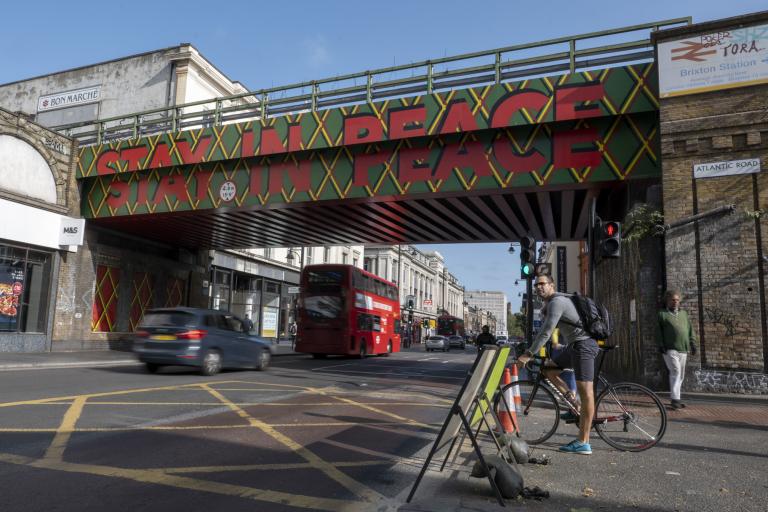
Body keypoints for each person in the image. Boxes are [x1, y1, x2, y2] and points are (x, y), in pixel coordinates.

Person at [517, 274, 600, 455]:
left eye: (542, 284)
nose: (538, 287)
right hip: (574, 346)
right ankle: (574, 405)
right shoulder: (552, 303)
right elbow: (547, 331)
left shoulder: (557, 302)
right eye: (536, 285)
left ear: (551, 285)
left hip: (584, 346)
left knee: (587, 393)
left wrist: (528, 354)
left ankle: (583, 441)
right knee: (548, 370)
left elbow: (546, 332)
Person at [656, 290, 697, 410]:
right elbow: (658, 331)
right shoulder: (662, 314)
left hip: (683, 349)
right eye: (672, 300)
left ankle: (677, 398)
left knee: (681, 375)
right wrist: (660, 344)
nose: (675, 302)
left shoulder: (684, 314)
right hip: (670, 349)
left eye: (677, 300)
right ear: (667, 301)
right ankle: (675, 399)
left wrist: (693, 343)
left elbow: (690, 329)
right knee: (676, 371)